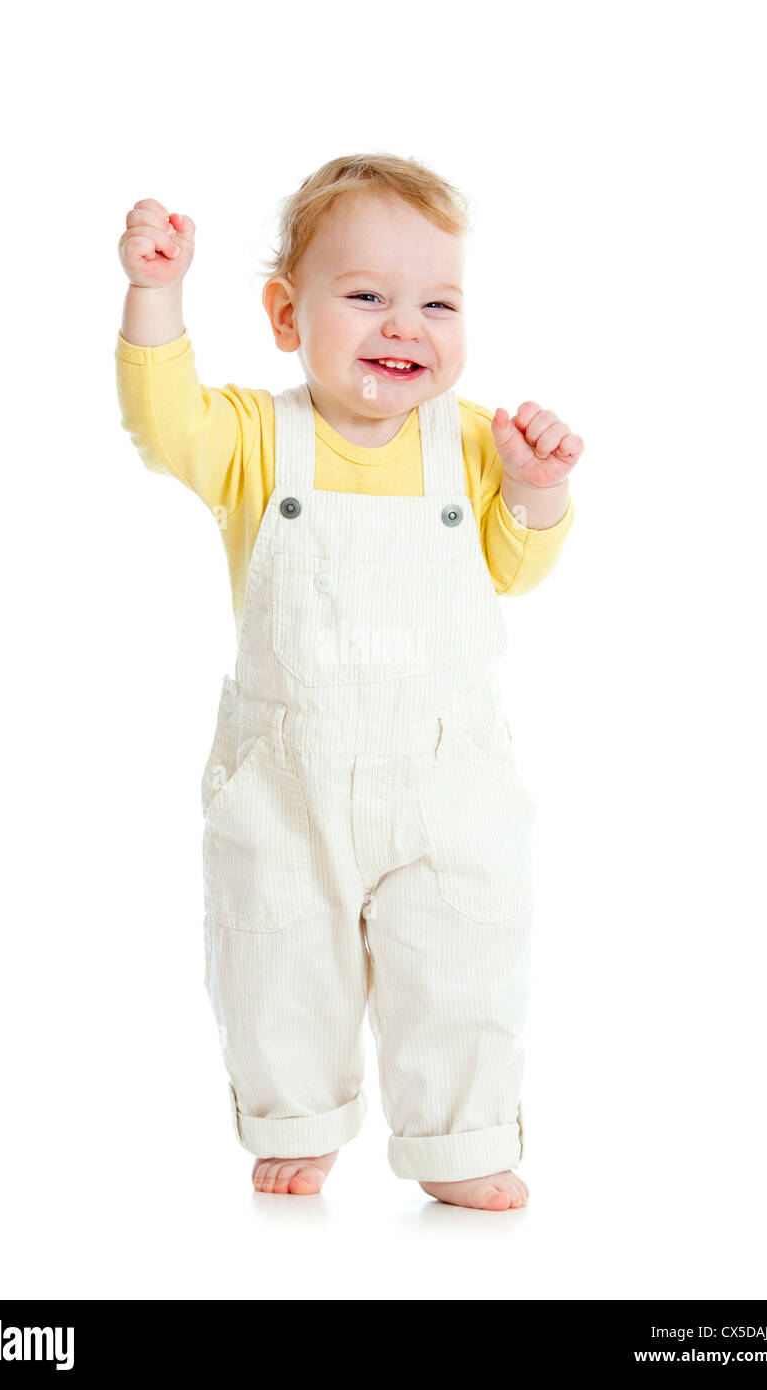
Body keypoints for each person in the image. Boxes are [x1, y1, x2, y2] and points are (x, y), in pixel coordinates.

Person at [115, 153, 583, 1211]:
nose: (402, 325)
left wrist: (536, 490)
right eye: (365, 296)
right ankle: (296, 1118)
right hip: (291, 774)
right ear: (286, 314)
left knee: (462, 951)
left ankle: (460, 1133)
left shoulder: (469, 444)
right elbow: (159, 422)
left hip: (444, 775)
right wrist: (155, 293)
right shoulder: (250, 438)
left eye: (436, 302)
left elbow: (515, 568)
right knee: (278, 951)